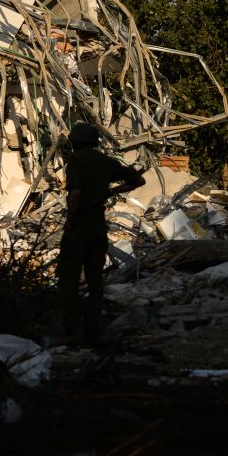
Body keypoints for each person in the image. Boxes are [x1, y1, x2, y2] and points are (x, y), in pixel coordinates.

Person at [59, 121, 145, 345]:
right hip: (98, 226)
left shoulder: (75, 161)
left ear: (75, 142)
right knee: (95, 279)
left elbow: (75, 193)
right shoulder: (106, 161)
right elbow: (137, 180)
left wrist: (69, 221)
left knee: (69, 278)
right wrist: (112, 191)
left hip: (79, 226)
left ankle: (68, 326)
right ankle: (93, 329)